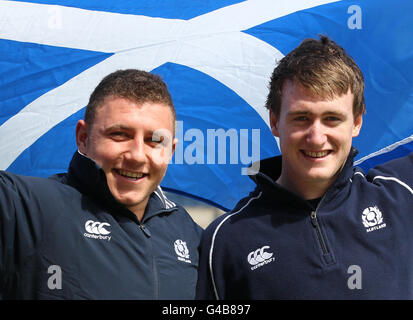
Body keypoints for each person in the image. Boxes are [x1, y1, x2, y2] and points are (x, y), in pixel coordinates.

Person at [196, 35, 413, 299]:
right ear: (275, 122)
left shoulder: (401, 194)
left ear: (356, 122)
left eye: (332, 118)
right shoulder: (225, 240)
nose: (316, 137)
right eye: (301, 118)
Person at [0, 69, 202, 299]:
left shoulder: (192, 235)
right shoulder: (21, 206)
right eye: (119, 134)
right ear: (83, 138)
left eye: (155, 140)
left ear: (171, 151)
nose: (137, 155)